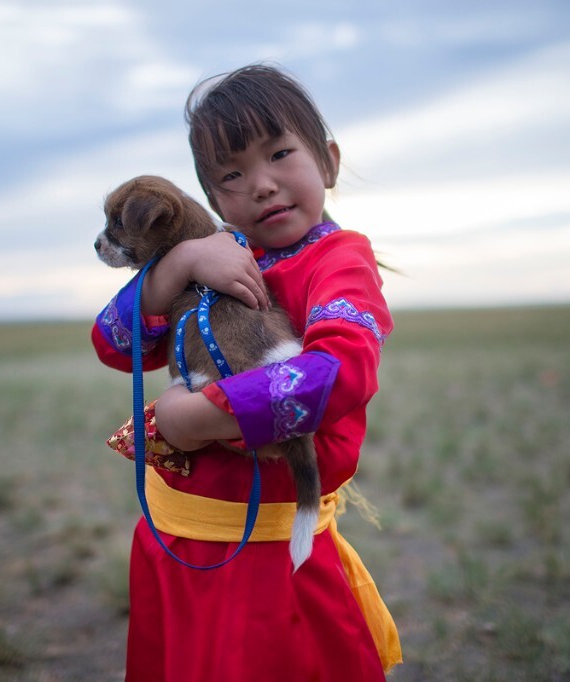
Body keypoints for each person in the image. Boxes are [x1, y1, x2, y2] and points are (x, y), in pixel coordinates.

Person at [92, 63, 402, 681]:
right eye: (232, 174)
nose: (261, 184)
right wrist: (177, 264)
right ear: (212, 200)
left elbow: (339, 371)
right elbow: (112, 343)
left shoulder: (339, 260)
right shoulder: (217, 256)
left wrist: (195, 419)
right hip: (176, 537)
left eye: (280, 153)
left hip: (262, 555)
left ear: (329, 162)